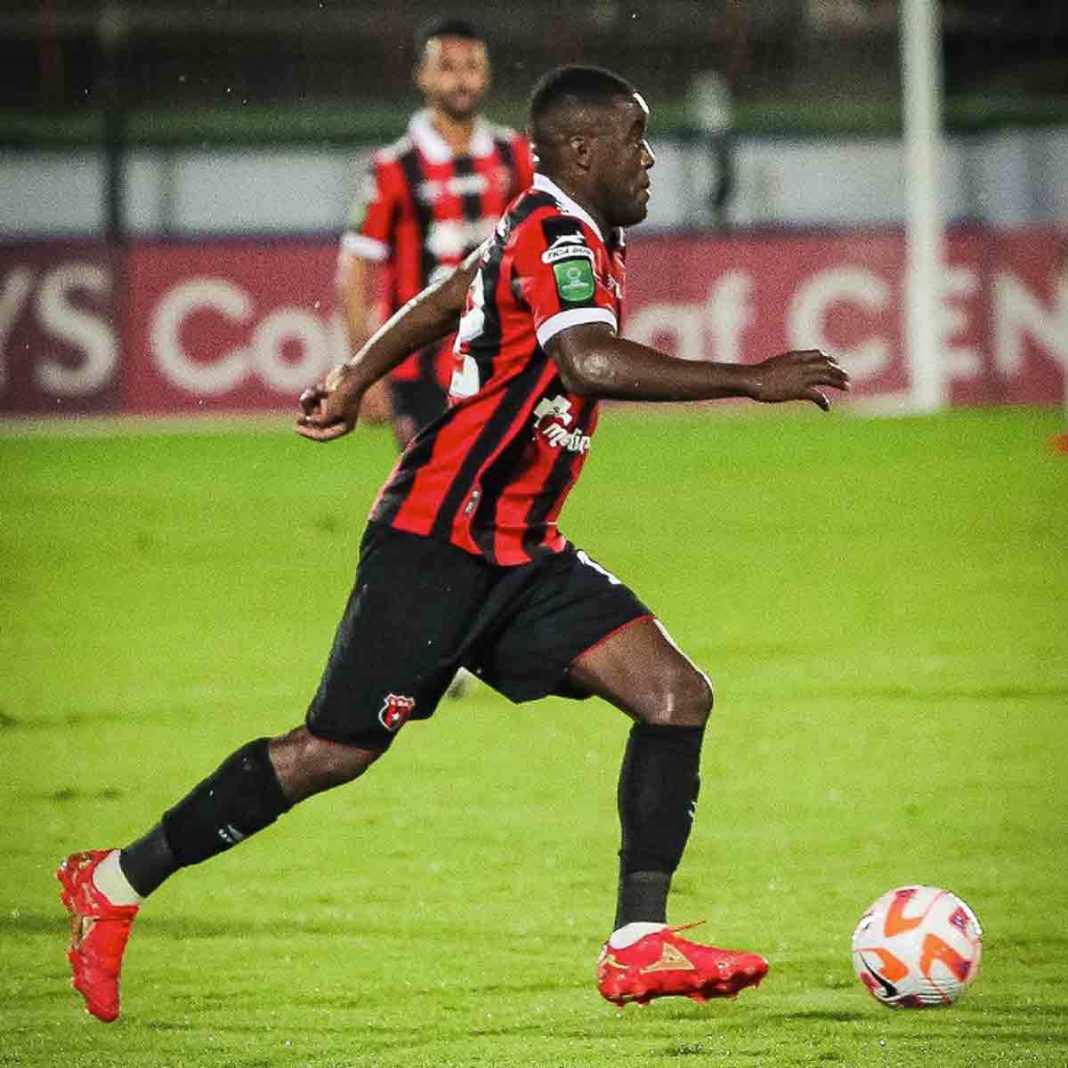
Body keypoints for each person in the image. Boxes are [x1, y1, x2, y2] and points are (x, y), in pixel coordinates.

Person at [58, 65, 849, 1023]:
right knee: (331, 753)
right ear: (584, 150)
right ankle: (116, 882)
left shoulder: (549, 227)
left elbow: (445, 297)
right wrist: (750, 378)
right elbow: (586, 361)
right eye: (636, 140)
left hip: (518, 548)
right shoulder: (558, 233)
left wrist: (355, 375)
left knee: (676, 696)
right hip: (437, 539)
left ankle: (639, 943)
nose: (651, 159)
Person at [336, 16, 534, 449]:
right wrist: (363, 372)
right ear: (422, 77)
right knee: (433, 501)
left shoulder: (514, 155)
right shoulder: (393, 167)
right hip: (418, 367)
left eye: (471, 67)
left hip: (504, 357)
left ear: (486, 75)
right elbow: (354, 269)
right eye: (447, 67)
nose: (461, 80)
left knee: (501, 495)